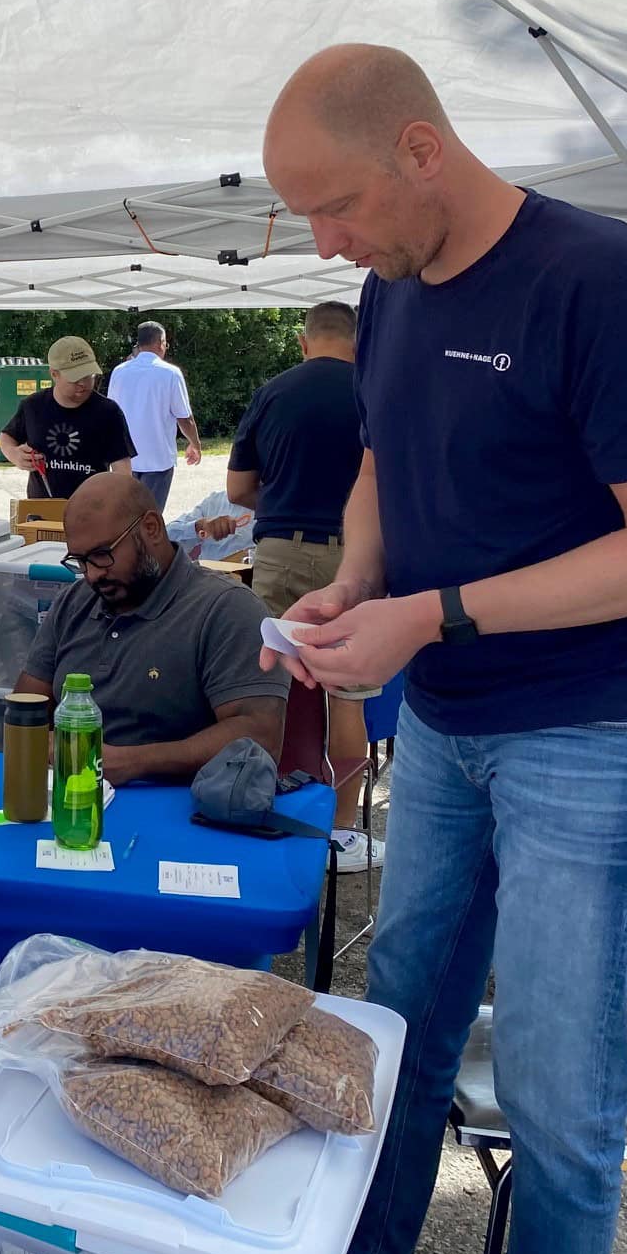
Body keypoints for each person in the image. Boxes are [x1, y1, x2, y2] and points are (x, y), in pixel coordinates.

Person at [260, 44, 627, 1254]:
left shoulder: (594, 277)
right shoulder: (393, 284)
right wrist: (363, 582)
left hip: (601, 724)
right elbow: (380, 463)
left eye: (339, 204)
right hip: (452, 720)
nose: (325, 239)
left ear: (422, 149)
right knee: (395, 1035)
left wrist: (432, 613)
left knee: (555, 1094)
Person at [227, 301, 378, 871]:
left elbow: (238, 486)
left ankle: (261, 804)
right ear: (359, 342)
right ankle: (339, 832)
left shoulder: (274, 391)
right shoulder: (376, 388)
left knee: (265, 687)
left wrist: (284, 502)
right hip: (356, 561)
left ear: (303, 342)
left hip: (281, 552)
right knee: (348, 697)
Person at [13, 474, 289, 785]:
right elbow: (26, 710)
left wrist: (133, 763)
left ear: (151, 528)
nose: (92, 575)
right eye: (80, 560)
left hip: (188, 812)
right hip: (72, 801)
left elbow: (260, 735)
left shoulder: (226, 609)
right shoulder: (73, 604)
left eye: (103, 555)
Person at [0, 335, 135, 500]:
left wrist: (120, 501)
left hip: (91, 511)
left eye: (88, 376)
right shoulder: (33, 406)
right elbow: (7, 436)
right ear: (54, 374)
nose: (83, 383)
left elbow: (122, 469)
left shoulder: (108, 412)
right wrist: (14, 454)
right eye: (75, 378)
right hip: (41, 512)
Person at [105, 321, 202, 510]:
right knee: (150, 517)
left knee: (125, 514)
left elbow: (110, 412)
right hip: (158, 458)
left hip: (125, 459)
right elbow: (184, 417)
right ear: (160, 342)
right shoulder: (171, 373)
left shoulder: (119, 371)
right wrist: (195, 444)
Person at [166, 488, 253, 563]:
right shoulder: (215, 503)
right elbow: (166, 540)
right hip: (211, 577)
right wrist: (198, 527)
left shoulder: (265, 508)